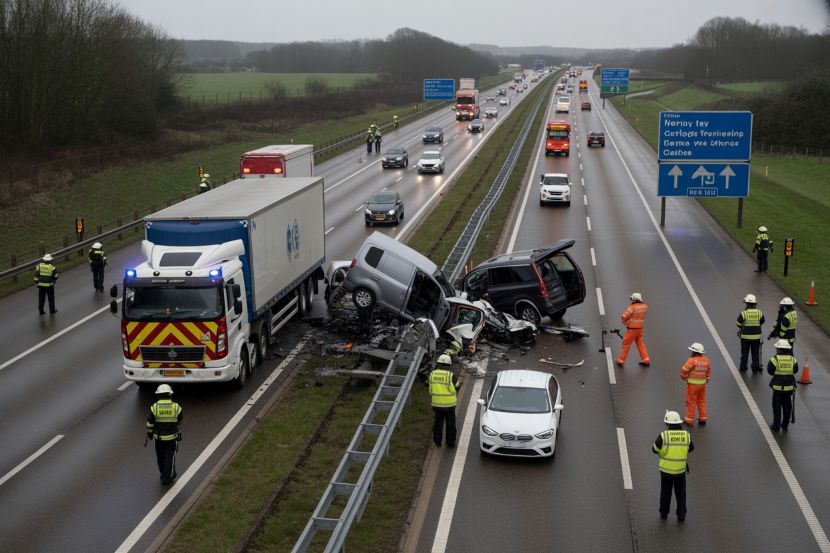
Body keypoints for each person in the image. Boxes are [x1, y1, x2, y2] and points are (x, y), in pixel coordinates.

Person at [652, 410, 694, 521]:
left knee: (665, 493)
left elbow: (654, 449)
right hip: (680, 471)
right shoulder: (686, 435)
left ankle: (664, 513)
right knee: (681, 494)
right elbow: (691, 448)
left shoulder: (664, 436)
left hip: (666, 472)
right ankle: (681, 515)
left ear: (668, 424)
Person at [146, 384, 183, 485]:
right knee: (170, 457)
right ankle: (167, 477)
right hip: (172, 439)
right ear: (170, 395)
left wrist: (149, 433)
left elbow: (150, 422)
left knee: (161, 457)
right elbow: (179, 419)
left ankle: (165, 473)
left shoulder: (154, 408)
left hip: (159, 439)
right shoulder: (176, 407)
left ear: (158, 395)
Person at [429, 354, 461, 448]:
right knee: (450, 424)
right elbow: (457, 385)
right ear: (448, 365)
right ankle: (450, 442)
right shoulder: (450, 375)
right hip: (449, 405)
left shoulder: (432, 374)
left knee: (438, 424)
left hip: (436, 405)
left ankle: (437, 441)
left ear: (438, 364)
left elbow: (430, 389)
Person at [767, 339, 798, 432]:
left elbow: (770, 371)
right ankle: (785, 425)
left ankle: (776, 426)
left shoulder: (774, 359)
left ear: (779, 349)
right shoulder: (793, 359)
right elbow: (795, 370)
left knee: (777, 407)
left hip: (777, 389)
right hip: (789, 389)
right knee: (787, 407)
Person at [680, 343, 711, 426]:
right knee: (701, 401)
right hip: (702, 385)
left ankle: (689, 420)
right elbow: (708, 371)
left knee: (691, 402)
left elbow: (684, 369)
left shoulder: (692, 360)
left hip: (692, 385)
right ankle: (703, 418)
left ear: (694, 352)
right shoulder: (706, 360)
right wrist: (707, 379)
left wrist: (684, 377)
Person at [615, 292, 650, 366]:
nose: (631, 300)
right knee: (640, 343)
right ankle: (646, 359)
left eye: (632, 299)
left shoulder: (633, 307)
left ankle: (621, 360)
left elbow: (625, 316)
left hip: (632, 329)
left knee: (626, 344)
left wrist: (624, 320)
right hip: (640, 329)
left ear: (634, 299)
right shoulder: (644, 306)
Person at [736, 293, 765, 373]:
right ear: (755, 304)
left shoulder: (743, 313)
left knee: (745, 353)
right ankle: (755, 368)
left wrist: (743, 327)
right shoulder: (759, 313)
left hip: (745, 337)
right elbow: (762, 321)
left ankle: (743, 367)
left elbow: (738, 324)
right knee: (755, 354)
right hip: (756, 338)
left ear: (747, 304)